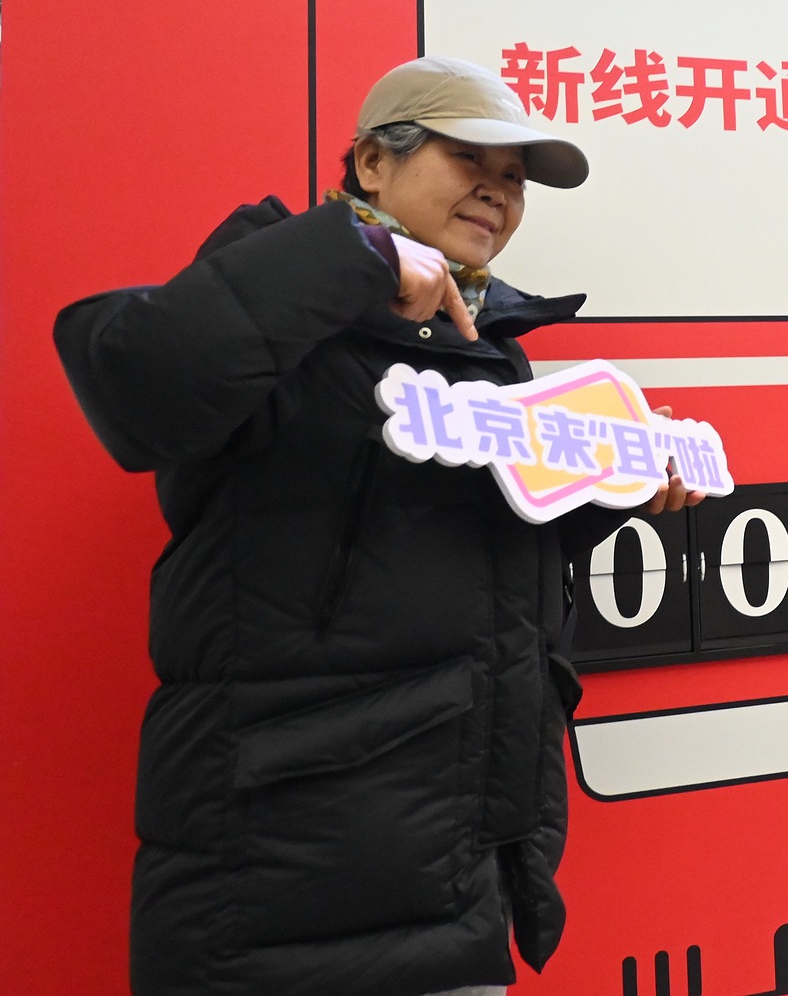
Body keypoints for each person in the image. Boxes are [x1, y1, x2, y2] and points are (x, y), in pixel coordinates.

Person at [54, 57, 699, 996]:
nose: (499, 189)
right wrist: (354, 261)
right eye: (468, 155)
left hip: (457, 884)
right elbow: (135, 381)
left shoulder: (495, 357)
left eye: (517, 175)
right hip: (271, 904)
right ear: (369, 163)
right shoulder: (274, 306)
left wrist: (617, 491)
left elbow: (478, 578)